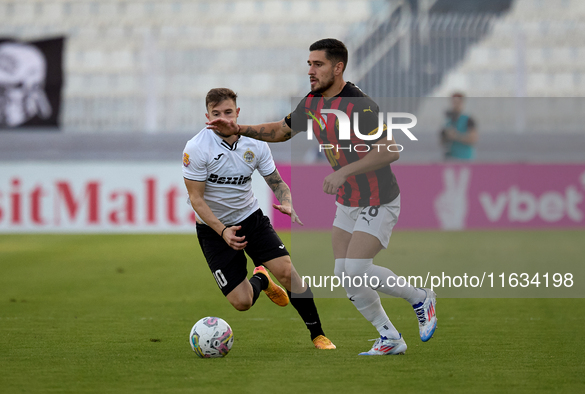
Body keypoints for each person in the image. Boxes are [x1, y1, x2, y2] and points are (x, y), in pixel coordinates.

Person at [206, 39, 437, 356]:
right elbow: (282, 131)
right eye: (309, 64)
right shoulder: (313, 101)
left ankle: (419, 297)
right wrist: (237, 127)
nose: (311, 71)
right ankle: (390, 337)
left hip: (378, 198)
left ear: (338, 67)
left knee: (355, 269)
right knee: (345, 275)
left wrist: (343, 172)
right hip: (348, 201)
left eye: (318, 64)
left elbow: (391, 149)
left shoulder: (360, 105)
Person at [183, 88, 335, 350]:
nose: (223, 118)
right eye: (216, 113)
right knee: (241, 302)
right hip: (213, 229)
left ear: (237, 113)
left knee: (288, 272)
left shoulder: (255, 143)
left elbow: (276, 182)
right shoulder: (196, 148)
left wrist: (286, 201)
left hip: (249, 218)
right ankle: (262, 279)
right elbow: (196, 200)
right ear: (207, 116)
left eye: (228, 112)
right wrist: (222, 232)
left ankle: (318, 334)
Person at [440, 92, 478, 160]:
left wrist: (456, 136)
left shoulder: (468, 120)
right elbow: (442, 142)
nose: (456, 105)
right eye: (454, 103)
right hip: (451, 157)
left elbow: (473, 139)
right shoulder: (449, 121)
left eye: (458, 103)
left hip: (465, 158)